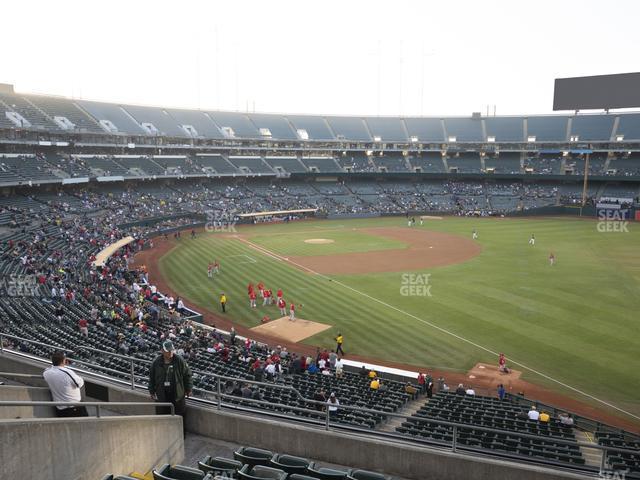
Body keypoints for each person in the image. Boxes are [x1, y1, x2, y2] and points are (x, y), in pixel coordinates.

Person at [148, 340, 193, 436]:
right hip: (162, 393)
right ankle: (164, 434)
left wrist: (189, 389)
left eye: (172, 350)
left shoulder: (179, 360)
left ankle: (181, 434)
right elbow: (152, 377)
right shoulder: (156, 362)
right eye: (168, 351)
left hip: (177, 393)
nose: (171, 353)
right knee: (163, 414)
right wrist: (151, 390)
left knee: (180, 414)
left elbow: (187, 375)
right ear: (162, 351)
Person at [43, 351, 88, 417]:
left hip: (60, 409)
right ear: (64, 361)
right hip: (74, 407)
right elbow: (79, 384)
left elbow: (48, 370)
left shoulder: (46, 373)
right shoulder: (68, 372)